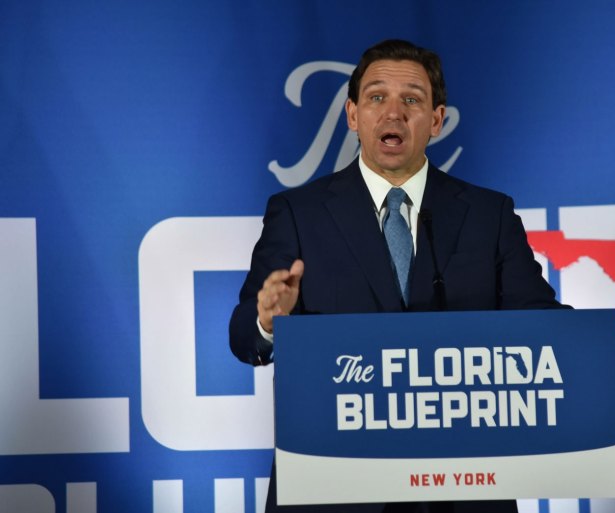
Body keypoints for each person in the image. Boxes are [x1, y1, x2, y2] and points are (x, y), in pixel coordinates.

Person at [230, 39, 568, 513]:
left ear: (436, 119)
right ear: (352, 115)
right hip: (334, 489)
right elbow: (244, 335)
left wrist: (580, 343)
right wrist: (269, 322)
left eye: (411, 99)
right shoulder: (297, 213)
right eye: (376, 97)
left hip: (460, 488)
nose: (393, 112)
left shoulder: (489, 214)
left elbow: (542, 325)